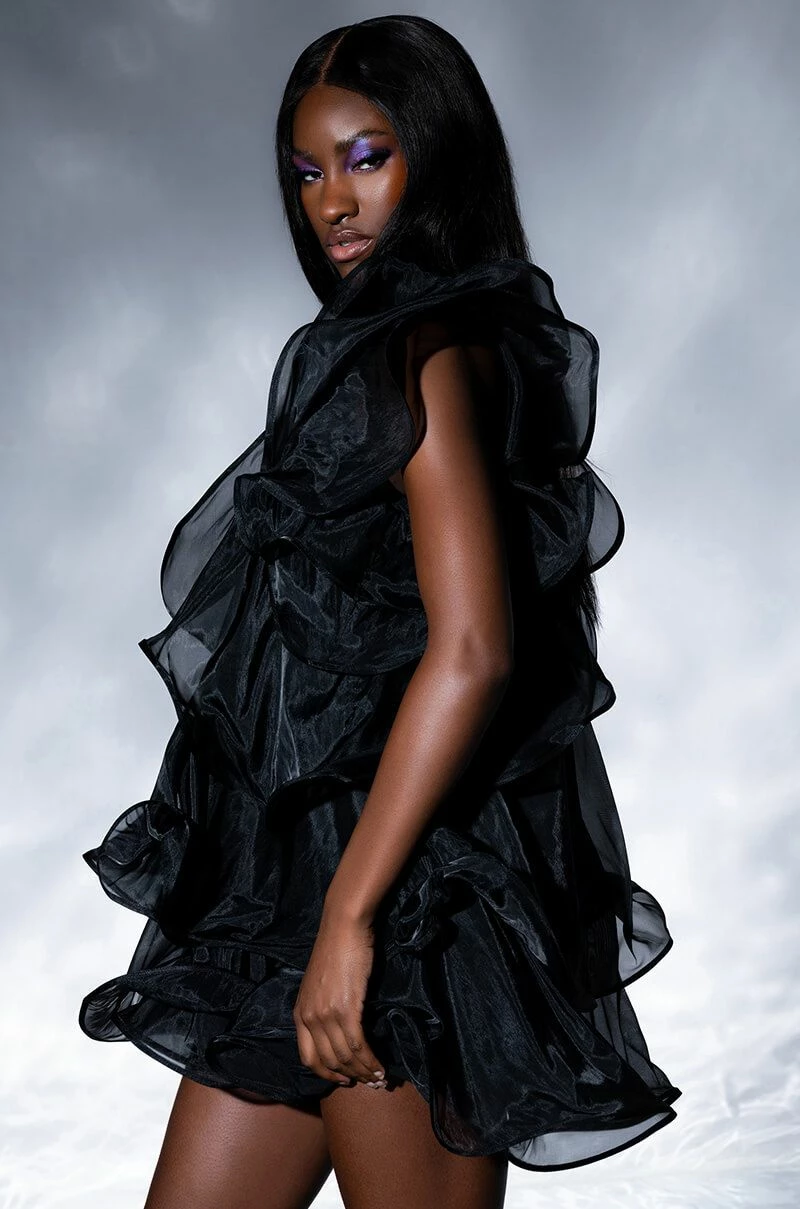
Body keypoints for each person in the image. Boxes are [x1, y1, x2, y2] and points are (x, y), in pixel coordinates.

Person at [78, 15, 681, 1209]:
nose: (332, 203)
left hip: (404, 907)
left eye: (367, 157)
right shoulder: (397, 346)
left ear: (436, 154)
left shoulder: (424, 350)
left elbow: (474, 648)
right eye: (306, 172)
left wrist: (351, 921)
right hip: (300, 901)